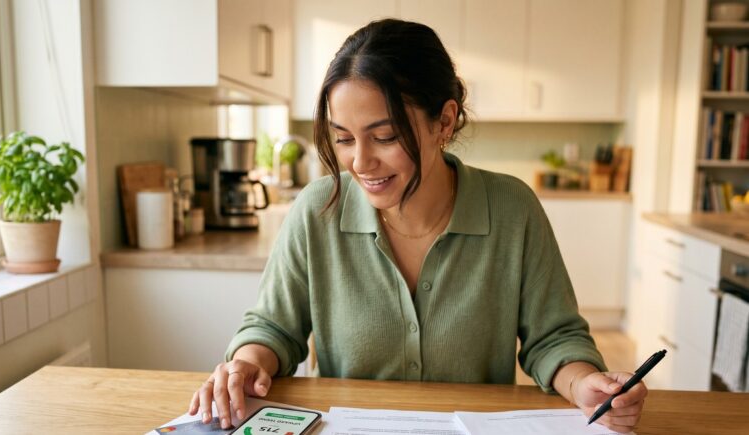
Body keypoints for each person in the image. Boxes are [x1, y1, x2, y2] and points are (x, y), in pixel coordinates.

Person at [188, 19, 647, 433]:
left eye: (384, 136)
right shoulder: (318, 209)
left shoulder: (512, 208)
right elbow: (274, 326)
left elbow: (554, 338)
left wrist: (585, 383)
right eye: (343, 138)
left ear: (444, 121)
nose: (360, 162)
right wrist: (246, 363)